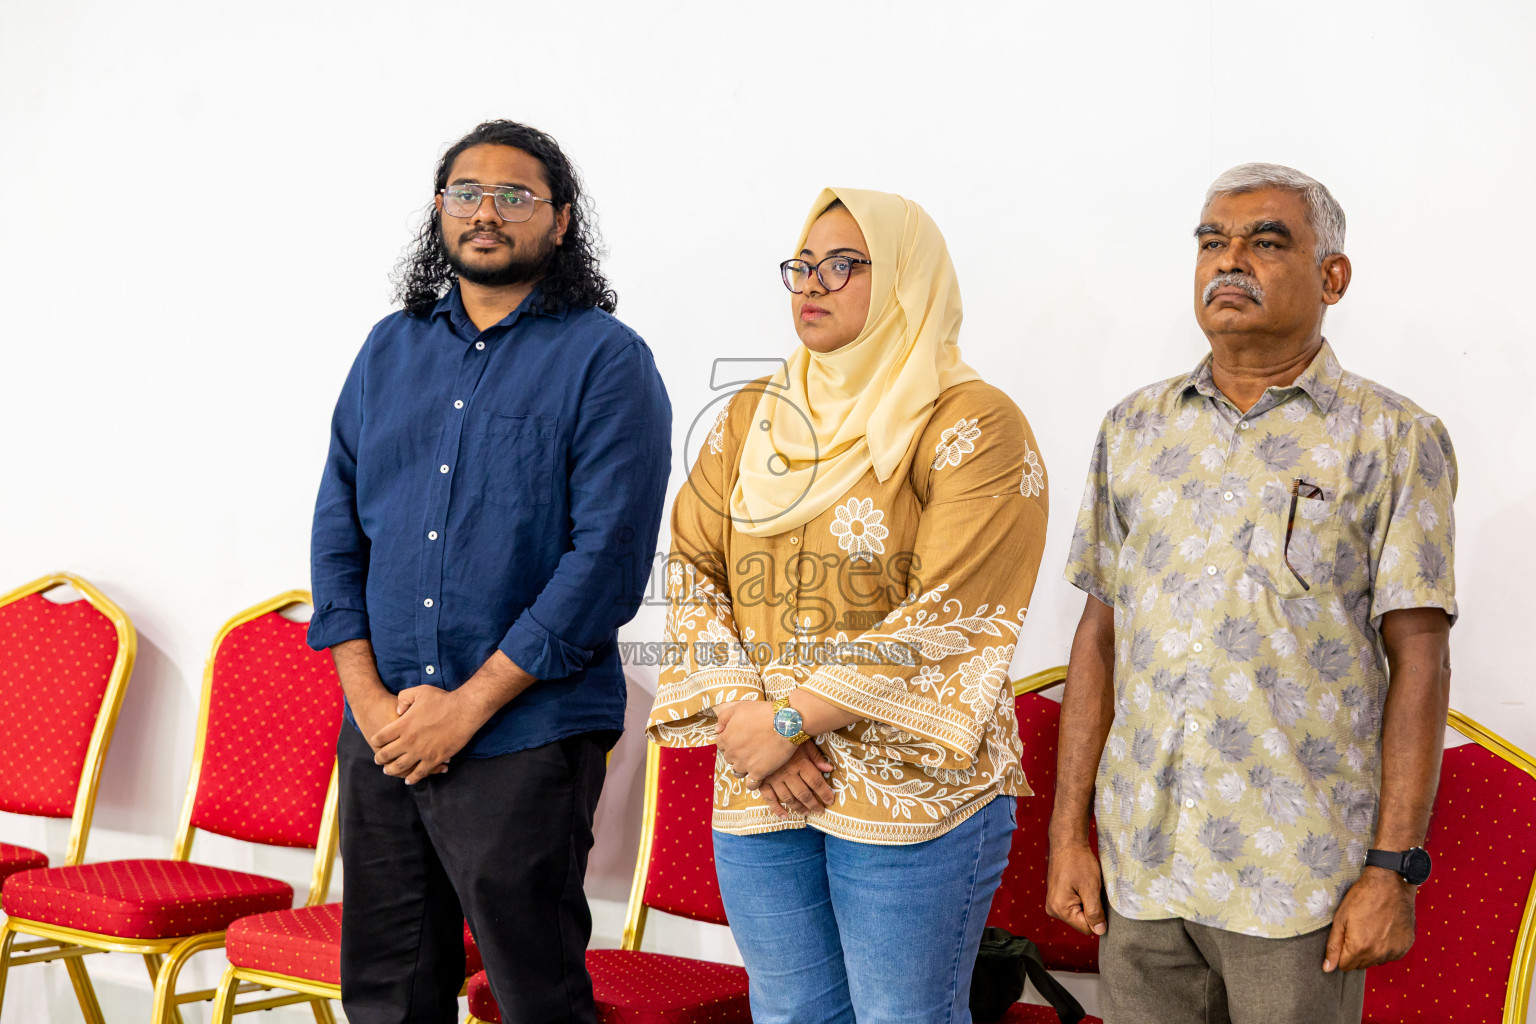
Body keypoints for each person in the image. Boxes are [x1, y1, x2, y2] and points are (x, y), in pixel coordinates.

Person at [1048, 163, 1457, 1023]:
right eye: (1211, 242)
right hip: (1144, 868)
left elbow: (1419, 658)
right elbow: (1099, 635)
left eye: (1267, 242)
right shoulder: (1135, 428)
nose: (1229, 261)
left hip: (1300, 880)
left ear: (1332, 276)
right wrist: (1068, 837)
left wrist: (1392, 868)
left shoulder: (1391, 437)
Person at [646, 188, 1049, 1024]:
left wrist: (789, 721)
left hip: (913, 786)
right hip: (760, 773)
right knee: (791, 1015)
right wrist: (748, 715)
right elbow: (690, 563)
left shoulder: (974, 424)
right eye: (802, 265)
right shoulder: (754, 417)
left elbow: (955, 610)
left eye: (843, 265)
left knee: (903, 1017)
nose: (812, 285)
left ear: (908, 279)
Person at [307, 119, 671, 1024]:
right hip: (385, 730)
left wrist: (466, 707)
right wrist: (372, 706)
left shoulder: (605, 361)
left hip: (525, 733)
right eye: (467, 192)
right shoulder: (388, 351)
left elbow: (607, 563)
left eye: (516, 196)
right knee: (387, 998)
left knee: (533, 998)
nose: (487, 212)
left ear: (560, 220)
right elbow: (335, 538)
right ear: (440, 211)